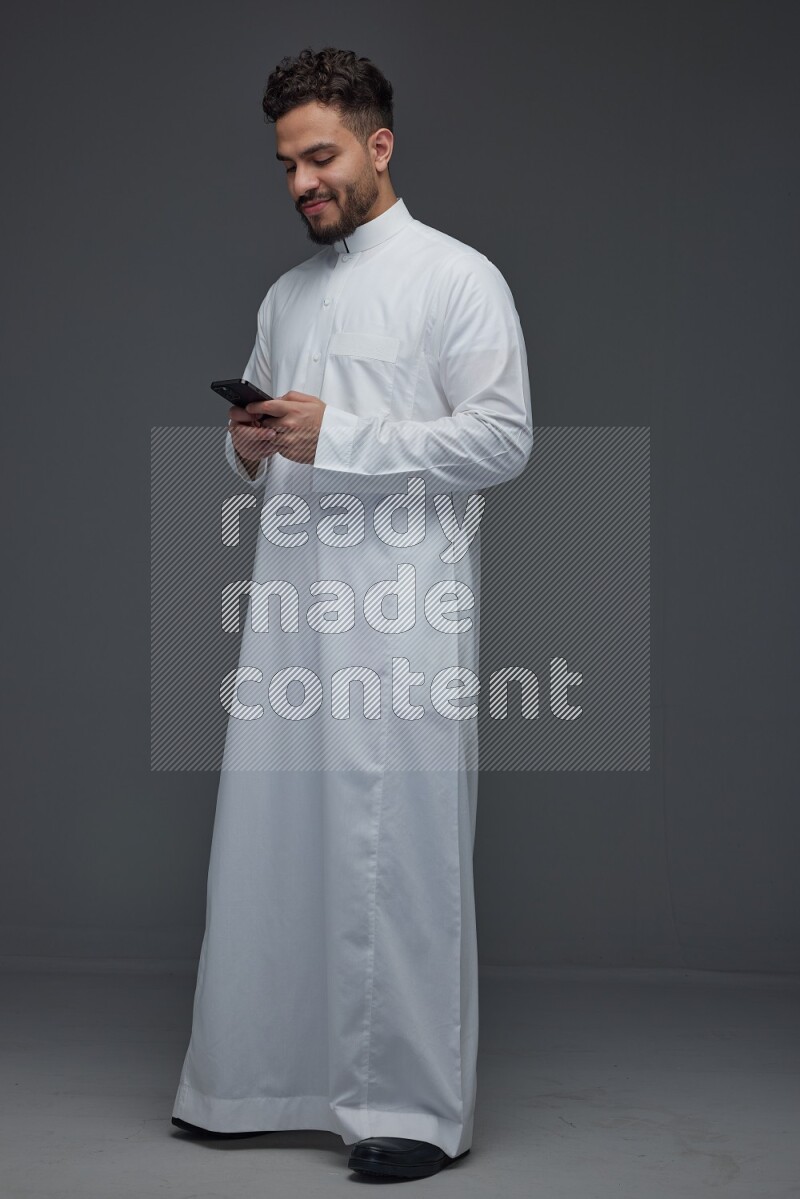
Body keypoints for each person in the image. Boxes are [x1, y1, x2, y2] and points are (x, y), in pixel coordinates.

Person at [171, 46, 533, 1181]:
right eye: (286, 164)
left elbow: (500, 438)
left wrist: (346, 435)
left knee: (395, 855)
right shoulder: (288, 295)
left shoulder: (455, 278)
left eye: (318, 157)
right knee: (272, 844)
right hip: (288, 607)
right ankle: (247, 1080)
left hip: (400, 616)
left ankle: (411, 1111)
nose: (300, 184)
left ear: (378, 145)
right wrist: (248, 445)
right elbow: (272, 443)